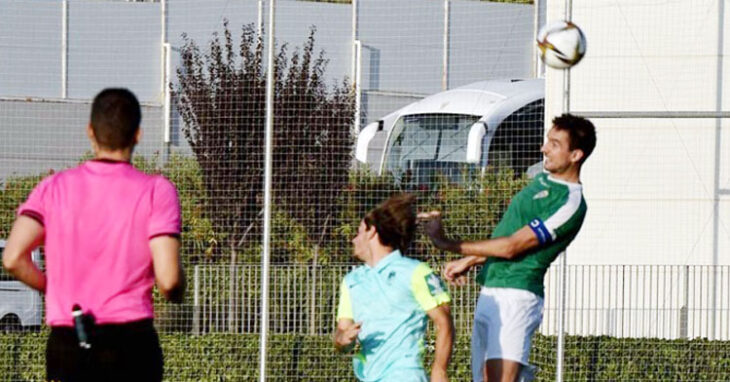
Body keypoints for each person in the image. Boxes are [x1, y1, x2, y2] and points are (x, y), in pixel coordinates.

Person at [2, 88, 185, 382]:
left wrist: (53, 287)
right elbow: (169, 279)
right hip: (132, 342)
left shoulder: (53, 188)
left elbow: (12, 258)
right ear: (137, 134)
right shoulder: (157, 191)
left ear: (90, 132)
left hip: (70, 340)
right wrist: (177, 293)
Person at [420, 113, 596, 382]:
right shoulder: (542, 182)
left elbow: (513, 246)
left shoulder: (570, 203)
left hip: (517, 296)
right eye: (547, 141)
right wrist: (469, 261)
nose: (544, 148)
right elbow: (511, 236)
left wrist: (446, 243)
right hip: (491, 292)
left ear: (576, 155)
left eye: (555, 144)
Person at [334, 194, 454, 382]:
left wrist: (439, 371)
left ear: (371, 232)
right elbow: (341, 334)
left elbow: (444, 322)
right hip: (368, 375)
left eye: (358, 232)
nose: (353, 240)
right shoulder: (352, 281)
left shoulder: (416, 272)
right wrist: (343, 339)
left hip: (405, 375)